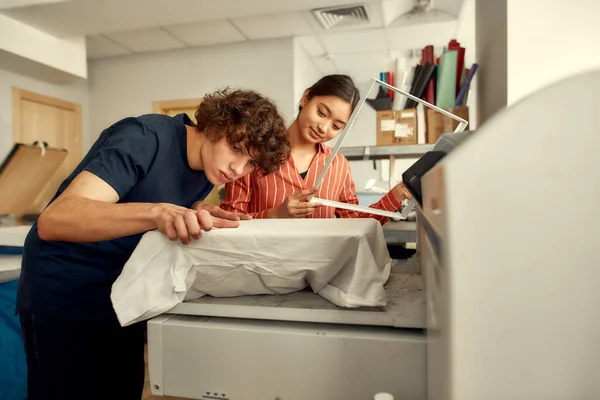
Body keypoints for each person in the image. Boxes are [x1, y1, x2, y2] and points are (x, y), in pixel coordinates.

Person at [16, 88, 290, 400]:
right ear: (214, 125)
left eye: (252, 163)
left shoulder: (208, 168)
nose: (238, 170)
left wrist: (194, 210)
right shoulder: (143, 137)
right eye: (236, 148)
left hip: (123, 291)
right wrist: (158, 211)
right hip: (63, 291)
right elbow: (55, 220)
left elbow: (149, 196)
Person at [221, 74, 411, 224]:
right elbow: (230, 218)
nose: (323, 128)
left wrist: (396, 195)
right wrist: (276, 214)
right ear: (306, 98)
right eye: (321, 113)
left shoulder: (338, 165)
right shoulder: (255, 150)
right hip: (264, 267)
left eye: (336, 127)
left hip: (323, 270)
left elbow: (355, 225)